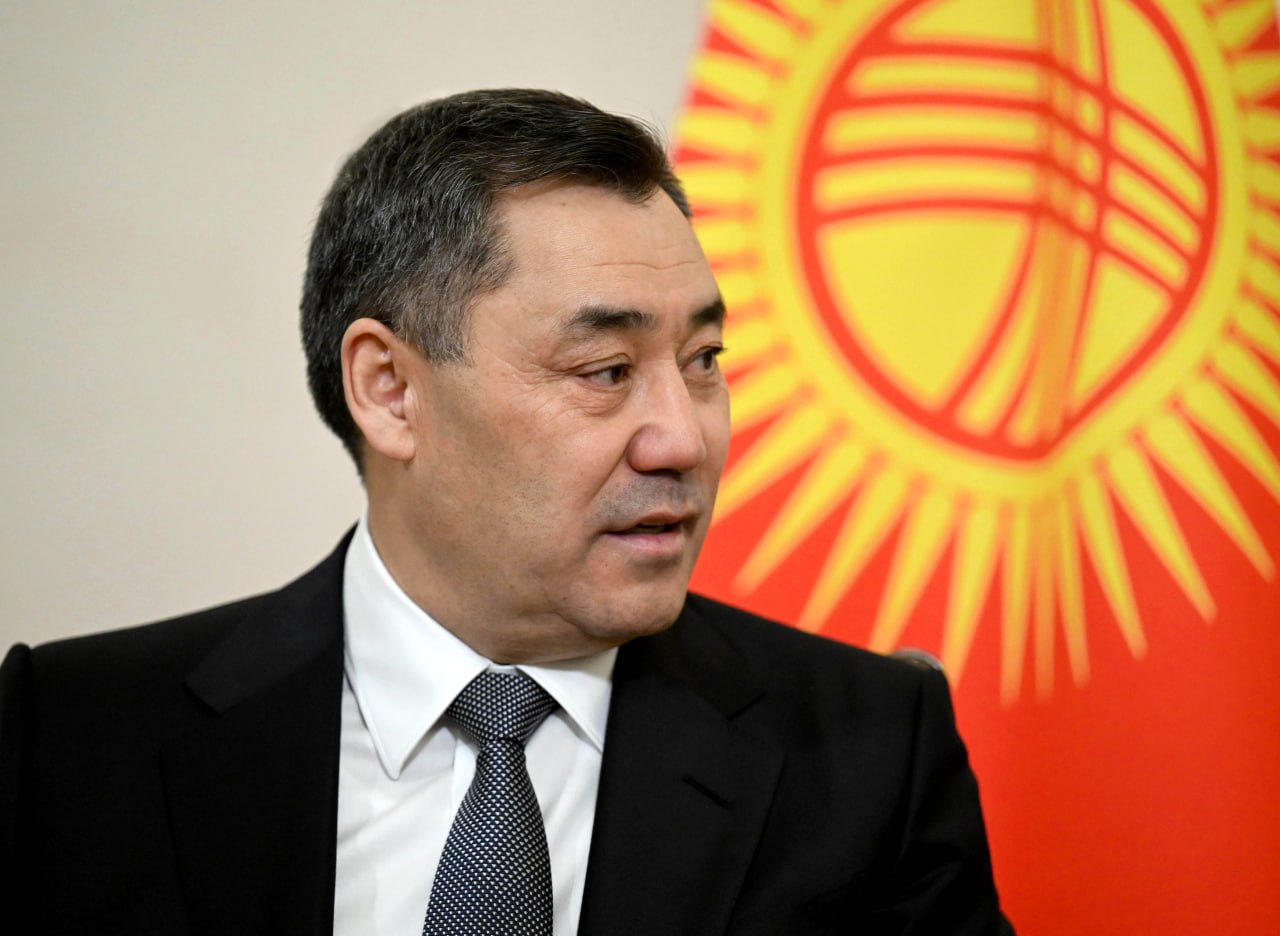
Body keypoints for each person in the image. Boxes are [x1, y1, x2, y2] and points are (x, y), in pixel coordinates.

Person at [0, 89, 1012, 935]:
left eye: (703, 360)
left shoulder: (869, 753)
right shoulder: (68, 740)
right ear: (390, 391)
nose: (683, 438)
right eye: (604, 369)